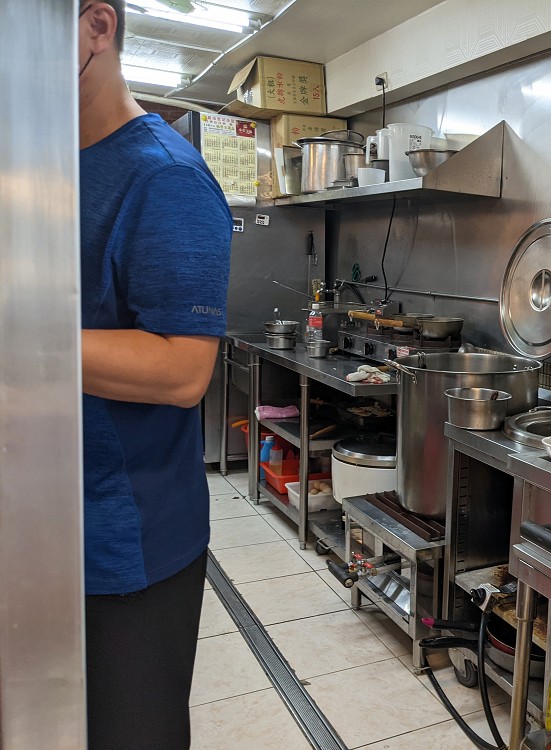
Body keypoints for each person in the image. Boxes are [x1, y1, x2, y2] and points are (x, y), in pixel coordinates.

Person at [78, 2, 232, 748]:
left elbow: (182, 368)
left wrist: (20, 342)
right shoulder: (41, 166)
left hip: (124, 547)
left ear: (97, 28)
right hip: (42, 528)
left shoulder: (164, 176)